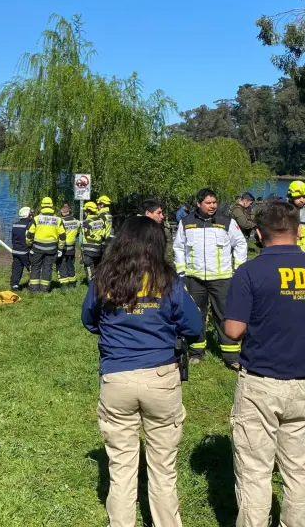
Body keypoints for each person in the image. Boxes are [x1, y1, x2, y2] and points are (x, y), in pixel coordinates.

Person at [223, 201, 305, 527]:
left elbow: (234, 330)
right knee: (297, 467)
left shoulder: (250, 271)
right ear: (298, 232)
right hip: (299, 384)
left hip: (259, 384)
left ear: (257, 233)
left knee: (255, 470)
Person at [81, 216, 203, 527]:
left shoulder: (103, 279)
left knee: (121, 467)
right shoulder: (170, 281)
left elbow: (89, 320)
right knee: (163, 466)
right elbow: (194, 326)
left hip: (116, 377)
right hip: (160, 378)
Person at [173, 188, 248, 369]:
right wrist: (182, 272)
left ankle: (231, 355)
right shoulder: (186, 222)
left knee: (224, 315)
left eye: (214, 202)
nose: (212, 206)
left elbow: (240, 244)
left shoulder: (227, 222)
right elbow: (178, 248)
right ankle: (197, 351)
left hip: (222, 278)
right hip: (194, 278)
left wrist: (238, 269)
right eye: (208, 203)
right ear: (198, 204)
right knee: (195, 315)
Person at [26, 197, 65, 293]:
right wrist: (60, 249)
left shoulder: (36, 219)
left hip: (37, 248)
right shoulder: (58, 220)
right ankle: (44, 289)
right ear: (52, 206)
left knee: (35, 267)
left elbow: (29, 235)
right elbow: (63, 236)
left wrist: (29, 245)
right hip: (51, 249)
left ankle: (34, 289)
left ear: (42, 206)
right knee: (47, 268)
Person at [140, 198, 173, 264]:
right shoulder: (133, 230)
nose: (162, 216)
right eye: (159, 213)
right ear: (147, 213)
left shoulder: (163, 228)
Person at [81, 201, 107, 281]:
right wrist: (99, 238)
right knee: (97, 267)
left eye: (85, 211)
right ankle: (98, 282)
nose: (84, 213)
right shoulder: (101, 221)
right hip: (98, 248)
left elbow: (88, 235)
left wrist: (96, 237)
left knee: (89, 267)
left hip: (88, 249)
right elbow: (104, 233)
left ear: (88, 211)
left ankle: (91, 285)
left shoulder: (87, 222)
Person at [10, 207, 33, 290]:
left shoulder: (15, 224)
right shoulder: (29, 225)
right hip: (25, 251)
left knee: (16, 268)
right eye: (31, 214)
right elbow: (30, 238)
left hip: (16, 251)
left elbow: (13, 239)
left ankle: (14, 285)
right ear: (28, 215)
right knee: (32, 268)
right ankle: (32, 284)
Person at [59, 203, 80, 288]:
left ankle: (64, 284)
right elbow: (78, 233)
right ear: (69, 210)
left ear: (61, 211)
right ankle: (73, 283)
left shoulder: (60, 221)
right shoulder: (77, 221)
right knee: (70, 264)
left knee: (62, 265)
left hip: (63, 247)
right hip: (72, 247)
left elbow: (59, 234)